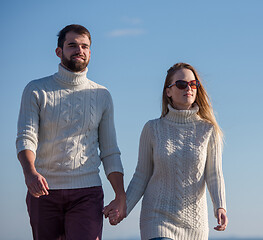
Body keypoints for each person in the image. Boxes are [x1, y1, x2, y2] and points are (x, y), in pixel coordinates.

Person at [16, 24, 126, 240]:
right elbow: (25, 137)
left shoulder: (102, 95)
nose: (79, 50)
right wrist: (29, 172)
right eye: (72, 45)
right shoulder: (36, 90)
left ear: (90, 53)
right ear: (59, 51)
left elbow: (110, 150)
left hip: (87, 192)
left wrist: (120, 195)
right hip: (43, 191)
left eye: (85, 46)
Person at [110, 62, 228, 239]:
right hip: (157, 219)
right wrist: (124, 207)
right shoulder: (152, 129)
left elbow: (214, 174)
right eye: (181, 84)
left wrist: (220, 206)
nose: (188, 88)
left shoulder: (208, 130)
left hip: (194, 225)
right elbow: (142, 175)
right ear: (168, 91)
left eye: (193, 84)